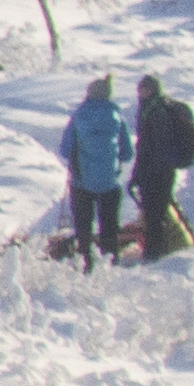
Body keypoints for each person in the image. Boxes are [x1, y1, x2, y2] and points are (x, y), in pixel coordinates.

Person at [58, 72, 132, 262]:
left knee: (83, 226)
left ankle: (85, 260)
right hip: (110, 181)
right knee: (109, 225)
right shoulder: (117, 117)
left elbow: (65, 149)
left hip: (81, 181)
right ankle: (110, 259)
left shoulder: (79, 116)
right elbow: (127, 153)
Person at [131, 69, 194, 256]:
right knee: (155, 212)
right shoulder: (148, 109)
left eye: (146, 89)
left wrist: (148, 170)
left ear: (154, 90)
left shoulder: (157, 111)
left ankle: (155, 252)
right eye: (141, 89)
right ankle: (159, 249)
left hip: (158, 171)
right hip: (156, 169)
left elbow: (156, 145)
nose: (142, 93)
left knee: (155, 214)